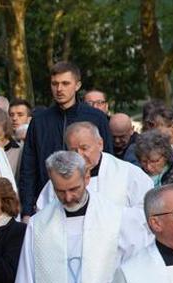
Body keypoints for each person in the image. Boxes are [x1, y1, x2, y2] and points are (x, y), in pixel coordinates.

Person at [3, 151, 150, 283]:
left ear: (87, 178)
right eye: (60, 191)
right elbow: (27, 282)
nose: (68, 197)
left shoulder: (117, 218)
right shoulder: (40, 224)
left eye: (74, 188)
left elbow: (135, 267)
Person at [18, 61, 113, 219]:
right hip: (47, 204)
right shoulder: (39, 121)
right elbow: (28, 168)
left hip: (91, 204)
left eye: (65, 83)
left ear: (77, 85)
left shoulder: (97, 118)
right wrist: (27, 211)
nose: (59, 89)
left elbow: (109, 162)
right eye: (55, 84)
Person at [36, 122, 152, 213]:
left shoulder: (128, 173)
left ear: (100, 144)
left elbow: (146, 210)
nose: (79, 155)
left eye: (84, 148)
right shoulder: (60, 178)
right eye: (73, 150)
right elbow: (44, 213)